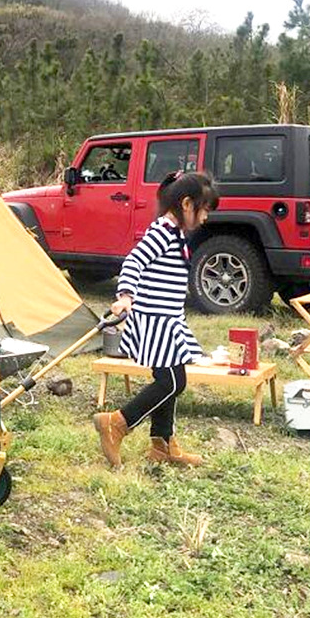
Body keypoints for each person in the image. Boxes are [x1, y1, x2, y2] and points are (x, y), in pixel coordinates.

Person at [93, 171, 219, 468]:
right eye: (205, 211)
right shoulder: (162, 231)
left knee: (171, 379)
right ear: (187, 204)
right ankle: (117, 423)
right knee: (172, 381)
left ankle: (162, 444)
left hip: (169, 320)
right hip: (155, 320)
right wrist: (125, 295)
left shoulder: (175, 234)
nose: (205, 219)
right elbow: (134, 261)